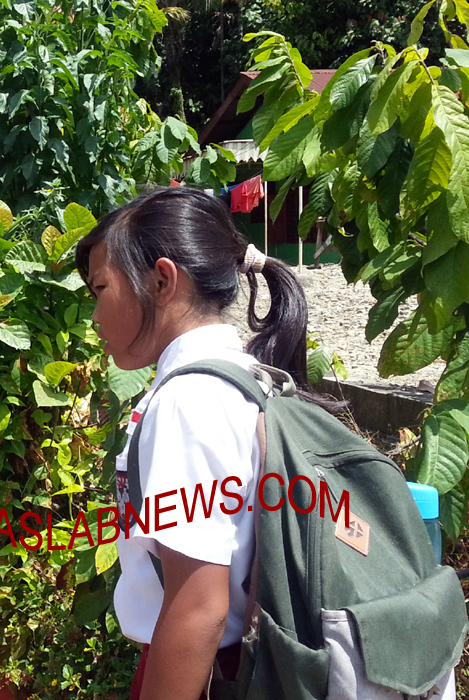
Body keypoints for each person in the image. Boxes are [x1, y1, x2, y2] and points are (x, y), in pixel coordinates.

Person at [75, 186, 316, 700]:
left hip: (214, 675)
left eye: (99, 289)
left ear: (162, 280)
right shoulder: (251, 374)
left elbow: (197, 607)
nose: (95, 316)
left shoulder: (189, 400)